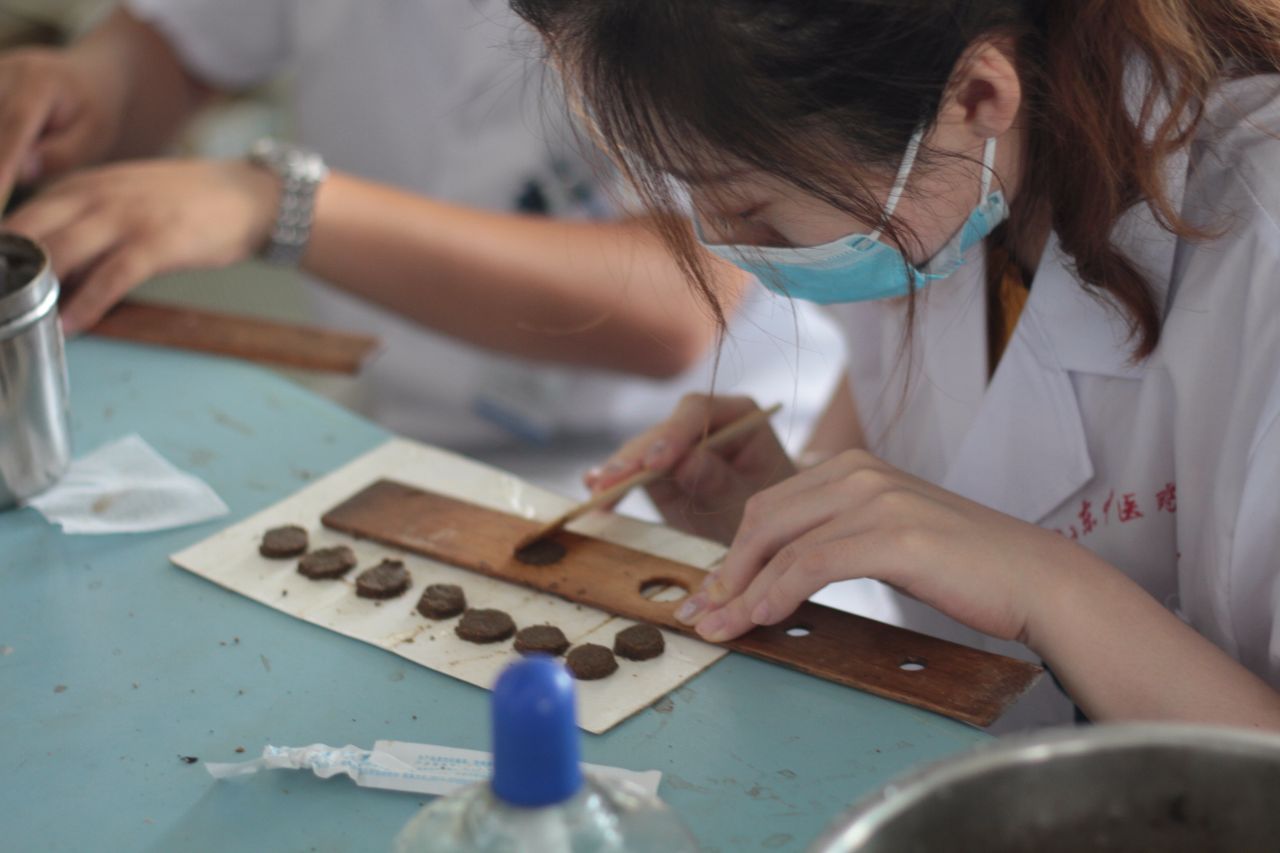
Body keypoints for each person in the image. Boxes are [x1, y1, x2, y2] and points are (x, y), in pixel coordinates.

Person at [517, 0, 1280, 729]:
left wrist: (1045, 586)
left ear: (981, 94)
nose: (728, 245)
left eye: (752, 210)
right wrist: (797, 504)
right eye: (694, 194)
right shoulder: (950, 180)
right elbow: (958, 430)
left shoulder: (1259, 257)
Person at [0, 1, 844, 456]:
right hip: (403, 423)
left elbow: (675, 304)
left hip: (691, 456)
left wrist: (279, 205)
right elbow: (183, 41)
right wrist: (87, 84)